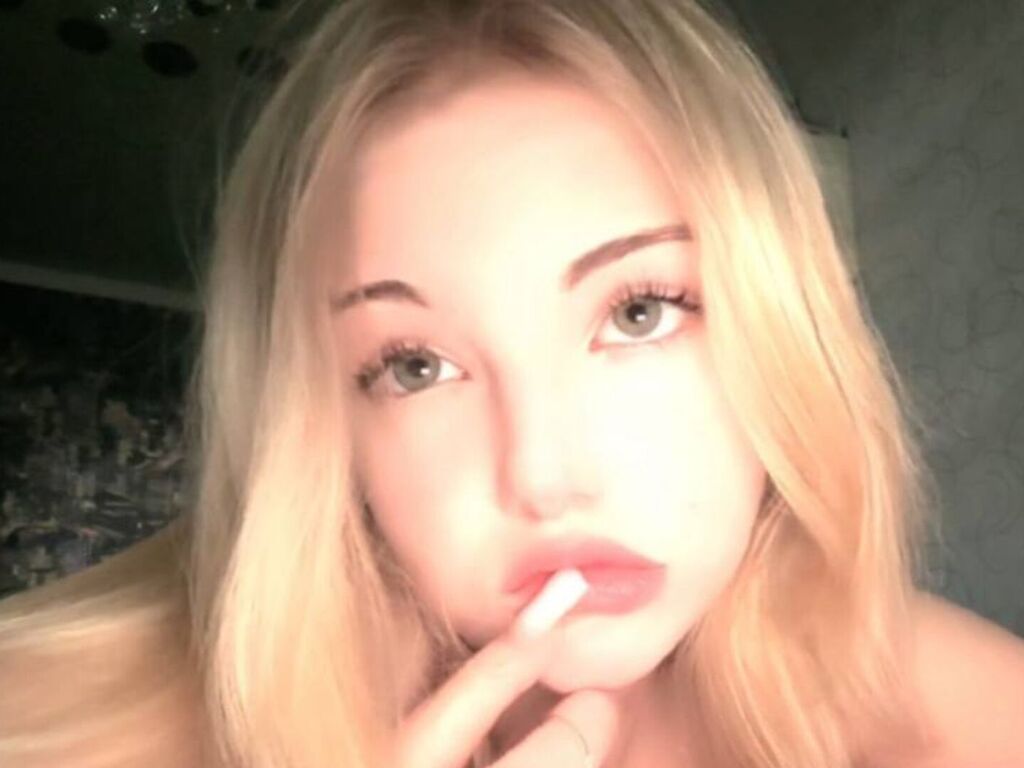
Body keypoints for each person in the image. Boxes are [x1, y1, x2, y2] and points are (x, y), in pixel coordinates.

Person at [2, 0, 1023, 766]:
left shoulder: (969, 723)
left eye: (639, 312)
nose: (541, 477)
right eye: (415, 366)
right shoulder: (72, 716)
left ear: (778, 324)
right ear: (324, 430)